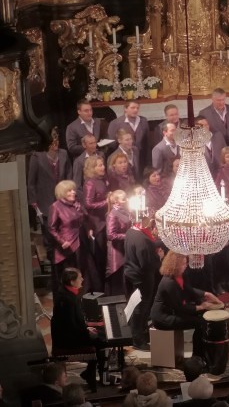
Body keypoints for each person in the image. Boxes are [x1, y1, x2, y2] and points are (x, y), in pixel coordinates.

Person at [150, 251, 223, 358]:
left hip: (171, 311)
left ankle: (202, 353)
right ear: (176, 265)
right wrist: (202, 306)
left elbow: (188, 289)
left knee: (201, 316)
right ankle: (197, 356)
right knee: (200, 323)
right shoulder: (169, 283)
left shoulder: (177, 276)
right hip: (163, 318)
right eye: (183, 264)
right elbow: (180, 308)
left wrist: (206, 294)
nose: (186, 266)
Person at [51, 268, 106, 389]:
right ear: (72, 282)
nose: (83, 279)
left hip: (71, 334)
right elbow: (71, 326)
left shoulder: (67, 294)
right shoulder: (66, 300)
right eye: (80, 277)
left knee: (99, 336)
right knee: (101, 341)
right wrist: (87, 332)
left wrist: (87, 328)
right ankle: (93, 375)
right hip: (67, 341)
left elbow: (74, 322)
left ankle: (89, 373)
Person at [28, 128, 72, 266]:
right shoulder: (37, 157)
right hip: (45, 203)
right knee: (49, 236)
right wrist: (34, 203)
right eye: (52, 141)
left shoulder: (64, 154)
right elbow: (31, 183)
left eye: (57, 140)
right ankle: (53, 262)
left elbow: (69, 175)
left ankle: (65, 260)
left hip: (63, 201)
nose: (55, 144)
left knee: (64, 232)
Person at [123, 217, 163, 350]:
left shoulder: (131, 231)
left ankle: (141, 333)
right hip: (142, 278)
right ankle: (138, 340)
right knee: (141, 308)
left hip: (130, 272)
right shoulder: (144, 240)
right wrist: (159, 258)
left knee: (136, 306)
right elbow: (146, 264)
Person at [48, 180, 87, 292]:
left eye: (73, 190)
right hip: (66, 246)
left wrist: (80, 210)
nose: (73, 192)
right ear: (62, 193)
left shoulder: (76, 205)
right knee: (69, 276)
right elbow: (51, 228)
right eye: (69, 190)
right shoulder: (56, 206)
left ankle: (79, 297)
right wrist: (62, 241)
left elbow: (81, 222)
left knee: (80, 273)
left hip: (79, 242)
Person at [83, 155, 109, 292]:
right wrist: (107, 202)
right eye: (100, 165)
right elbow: (88, 204)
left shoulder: (101, 181)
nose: (103, 167)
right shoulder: (90, 183)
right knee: (98, 257)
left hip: (103, 221)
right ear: (93, 168)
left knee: (104, 256)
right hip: (96, 224)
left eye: (103, 164)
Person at [107, 101, 150, 171]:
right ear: (125, 109)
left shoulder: (143, 121)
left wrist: (148, 160)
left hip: (141, 158)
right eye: (133, 108)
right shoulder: (115, 123)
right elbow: (112, 144)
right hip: (123, 159)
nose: (135, 110)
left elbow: (147, 141)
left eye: (137, 108)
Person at [105, 190, 131, 296]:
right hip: (117, 250)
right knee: (118, 276)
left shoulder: (125, 211)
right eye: (123, 199)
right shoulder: (113, 214)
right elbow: (111, 235)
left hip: (124, 247)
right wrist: (128, 235)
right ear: (116, 201)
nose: (126, 200)